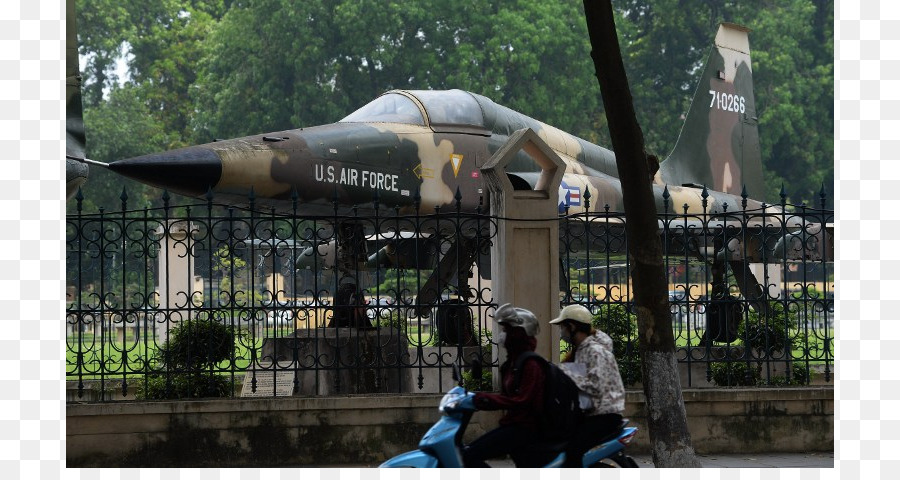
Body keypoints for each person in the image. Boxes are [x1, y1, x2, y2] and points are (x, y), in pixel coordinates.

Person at [463, 303, 547, 467]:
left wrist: (484, 400)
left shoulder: (531, 364)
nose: (502, 335)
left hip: (525, 429)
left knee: (469, 455)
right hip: (514, 426)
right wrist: (479, 400)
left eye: (506, 330)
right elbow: (507, 398)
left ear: (518, 333)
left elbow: (521, 401)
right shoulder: (512, 363)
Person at [549, 304, 625, 468]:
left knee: (573, 450)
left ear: (572, 326)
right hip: (589, 413)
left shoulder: (596, 351)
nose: (561, 332)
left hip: (605, 416)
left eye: (563, 327)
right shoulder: (581, 351)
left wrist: (564, 373)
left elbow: (596, 385)